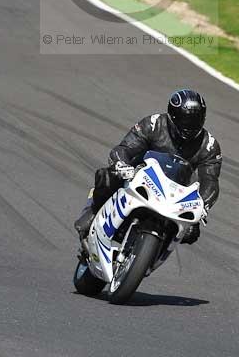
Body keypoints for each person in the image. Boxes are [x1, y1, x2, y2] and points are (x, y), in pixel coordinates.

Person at [74, 88, 221, 245]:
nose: (190, 126)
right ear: (173, 116)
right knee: (108, 176)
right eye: (186, 120)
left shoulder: (209, 145)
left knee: (191, 232)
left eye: (196, 120)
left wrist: (203, 204)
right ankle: (94, 211)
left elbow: (210, 180)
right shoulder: (153, 124)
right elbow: (124, 149)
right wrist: (122, 165)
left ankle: (154, 252)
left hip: (175, 195)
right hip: (139, 177)